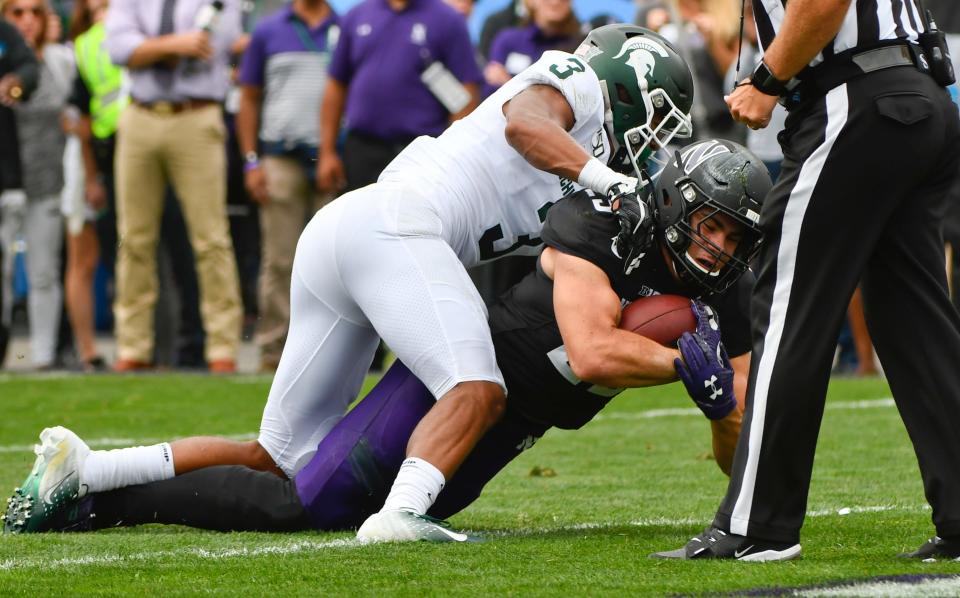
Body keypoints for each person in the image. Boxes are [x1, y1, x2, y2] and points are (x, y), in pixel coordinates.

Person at [10, 24, 695, 541]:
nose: (652, 138)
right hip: (395, 228)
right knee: (478, 388)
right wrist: (605, 178)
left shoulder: (584, 157)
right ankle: (400, 515)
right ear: (628, 80)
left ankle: (89, 470)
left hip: (353, 232)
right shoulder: (572, 82)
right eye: (657, 115)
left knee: (276, 459)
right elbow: (524, 121)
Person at [654, 0, 960, 562]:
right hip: (921, 97)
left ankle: (758, 525)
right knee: (915, 322)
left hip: (853, 101)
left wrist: (768, 79)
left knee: (788, 309)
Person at [104, 0, 244, 373]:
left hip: (196, 116)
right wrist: (172, 44)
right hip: (139, 116)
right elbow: (117, 48)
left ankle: (222, 347)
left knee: (211, 238)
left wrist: (147, 46)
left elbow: (212, 44)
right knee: (133, 238)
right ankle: (133, 346)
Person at [235, 0, 338, 372]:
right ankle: (273, 350)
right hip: (280, 155)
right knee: (279, 259)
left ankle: (328, 352)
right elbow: (248, 97)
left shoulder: (344, 27)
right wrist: (251, 160)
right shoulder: (267, 30)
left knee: (333, 263)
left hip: (330, 157)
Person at [315, 0, 483, 196]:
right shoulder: (356, 15)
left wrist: (451, 157)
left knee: (415, 224)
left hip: (421, 154)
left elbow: (467, 92)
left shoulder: (448, 19)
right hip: (362, 149)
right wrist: (327, 152)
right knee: (361, 223)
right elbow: (336, 84)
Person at [0, 0, 73, 371]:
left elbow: (68, 105)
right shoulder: (6, 54)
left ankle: (43, 356)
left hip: (46, 179)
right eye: (17, 13)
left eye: (35, 12)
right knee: (4, 269)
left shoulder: (60, 60)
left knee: (44, 270)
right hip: (6, 180)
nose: (27, 20)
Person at [0, 18, 39, 366]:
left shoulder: (4, 32)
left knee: (4, 270)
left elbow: (29, 68)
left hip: (6, 176)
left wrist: (17, 82)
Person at [482, 0, 581, 96]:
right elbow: (490, 87)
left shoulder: (579, 47)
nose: (555, 2)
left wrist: (509, 85)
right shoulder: (509, 40)